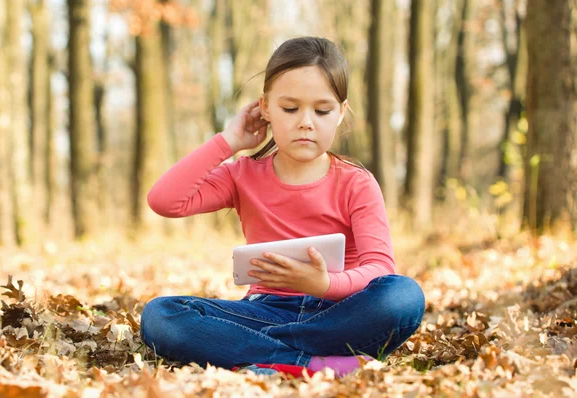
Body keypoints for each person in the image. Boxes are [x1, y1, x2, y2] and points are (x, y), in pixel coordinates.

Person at [140, 36, 425, 378]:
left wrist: (323, 285)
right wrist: (229, 141)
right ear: (265, 108)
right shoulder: (242, 174)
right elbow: (165, 201)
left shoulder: (356, 182)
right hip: (265, 312)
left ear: (340, 113)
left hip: (341, 313)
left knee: (404, 296)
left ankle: (265, 354)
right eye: (290, 108)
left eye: (322, 110)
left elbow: (379, 267)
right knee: (161, 316)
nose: (306, 122)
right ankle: (314, 364)